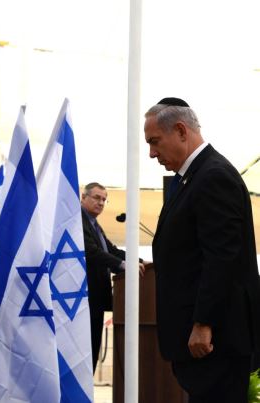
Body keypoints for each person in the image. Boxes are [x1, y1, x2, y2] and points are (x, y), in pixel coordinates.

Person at [144, 97, 260, 403]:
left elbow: (222, 257)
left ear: (181, 131)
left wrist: (204, 323)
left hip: (216, 341)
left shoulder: (213, 176)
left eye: (155, 141)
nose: (152, 153)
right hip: (203, 343)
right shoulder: (193, 177)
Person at [81, 182, 144, 373]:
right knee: (85, 352)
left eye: (104, 199)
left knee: (93, 349)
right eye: (97, 198)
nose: (101, 203)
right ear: (83, 197)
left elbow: (111, 250)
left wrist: (141, 261)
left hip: (96, 300)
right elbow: (91, 252)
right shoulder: (78, 221)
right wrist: (124, 265)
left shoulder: (94, 224)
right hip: (84, 299)